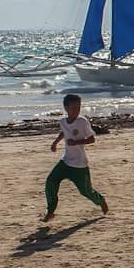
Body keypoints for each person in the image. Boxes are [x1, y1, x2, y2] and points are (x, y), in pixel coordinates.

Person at [43, 94, 108, 222]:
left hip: (79, 165)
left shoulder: (82, 121)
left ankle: (101, 201)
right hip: (65, 161)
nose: (77, 111)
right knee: (51, 182)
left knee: (86, 191)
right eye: (74, 108)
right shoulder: (62, 121)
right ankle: (50, 211)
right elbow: (64, 132)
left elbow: (92, 139)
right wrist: (55, 143)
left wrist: (76, 142)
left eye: (79, 107)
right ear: (66, 108)